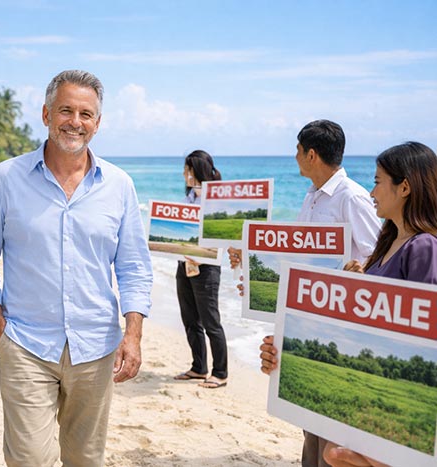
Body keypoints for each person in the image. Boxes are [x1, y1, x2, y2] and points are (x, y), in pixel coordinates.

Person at [0, 70, 153, 467]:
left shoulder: (119, 185)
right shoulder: (6, 178)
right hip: (26, 345)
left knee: (85, 459)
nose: (75, 121)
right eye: (66, 110)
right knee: (29, 459)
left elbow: (134, 266)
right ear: (46, 114)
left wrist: (133, 334)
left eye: (86, 114)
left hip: (96, 347)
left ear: (98, 123)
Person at [261, 141, 437, 467]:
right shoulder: (387, 241)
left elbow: (419, 340)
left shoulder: (423, 248)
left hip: (372, 402)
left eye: (377, 181)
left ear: (405, 187)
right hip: (349, 388)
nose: (371, 192)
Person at [231, 119, 382, 467]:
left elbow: (380, 255)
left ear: (311, 154)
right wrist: (254, 269)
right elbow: (300, 256)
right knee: (309, 422)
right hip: (308, 318)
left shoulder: (352, 198)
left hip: (340, 324)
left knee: (334, 428)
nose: (295, 157)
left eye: (297, 150)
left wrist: (356, 277)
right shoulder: (312, 197)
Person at [173, 150, 228, 388]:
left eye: (187, 169)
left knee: (210, 322)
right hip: (185, 264)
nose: (184, 174)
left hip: (206, 268)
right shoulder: (190, 198)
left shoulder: (215, 200)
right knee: (190, 319)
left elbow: (221, 236)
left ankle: (221, 373)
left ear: (196, 170)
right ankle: (199, 368)